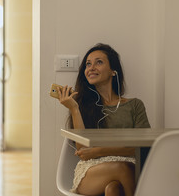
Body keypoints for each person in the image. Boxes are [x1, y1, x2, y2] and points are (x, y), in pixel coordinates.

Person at [57, 43, 150, 196]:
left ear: (113, 71)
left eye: (99, 62)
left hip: (130, 166)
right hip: (92, 171)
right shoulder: (82, 106)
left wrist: (100, 150)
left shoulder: (135, 105)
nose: (91, 67)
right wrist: (74, 108)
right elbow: (82, 150)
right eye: (88, 64)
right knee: (123, 168)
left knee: (113, 189)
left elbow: (142, 148)